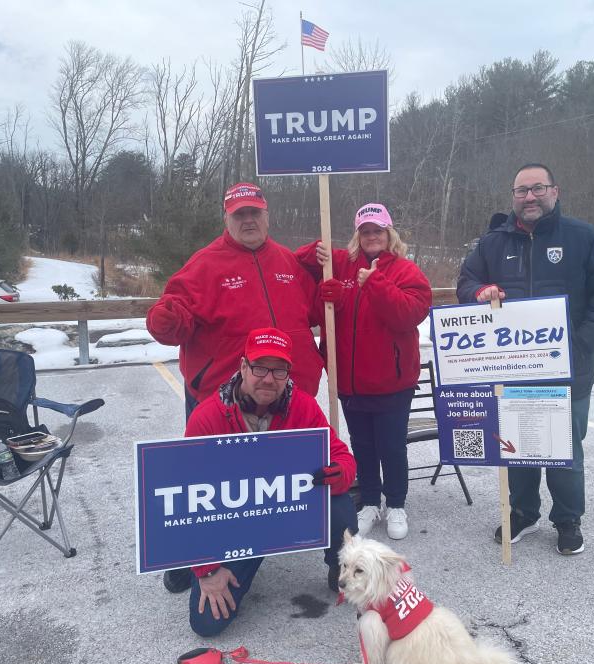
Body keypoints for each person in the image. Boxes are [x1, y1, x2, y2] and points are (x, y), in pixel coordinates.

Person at [146, 182, 325, 593]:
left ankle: (259, 542)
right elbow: (176, 313)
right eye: (239, 214)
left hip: (281, 394)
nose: (248, 220)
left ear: (267, 216)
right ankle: (187, 559)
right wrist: (166, 318)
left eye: (254, 213)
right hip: (221, 398)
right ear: (226, 219)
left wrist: (322, 280)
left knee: (264, 480)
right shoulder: (204, 264)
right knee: (205, 485)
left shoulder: (286, 262)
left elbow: (312, 311)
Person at [457, 163, 594, 556]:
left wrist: (582, 342)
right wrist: (480, 291)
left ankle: (568, 518)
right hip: (514, 370)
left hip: (569, 369)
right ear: (513, 196)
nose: (529, 197)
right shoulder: (492, 243)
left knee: (564, 447)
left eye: (537, 189)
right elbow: (466, 281)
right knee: (518, 444)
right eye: (521, 191)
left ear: (555, 191)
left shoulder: (584, 238)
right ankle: (523, 511)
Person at [183, 327, 359, 638]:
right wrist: (206, 569)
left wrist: (340, 472)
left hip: (284, 511)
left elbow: (342, 455)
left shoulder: (302, 405)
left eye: (279, 370)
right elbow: (186, 496)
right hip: (234, 522)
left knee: (340, 501)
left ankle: (339, 565)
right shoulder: (207, 417)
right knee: (207, 623)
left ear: (289, 372)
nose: (269, 378)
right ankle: (180, 562)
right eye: (260, 367)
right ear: (243, 367)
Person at [297, 203, 432, 540]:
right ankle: (370, 500)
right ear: (358, 235)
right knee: (362, 446)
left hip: (391, 383)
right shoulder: (340, 264)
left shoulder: (406, 271)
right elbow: (302, 268)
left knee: (391, 446)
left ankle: (396, 503)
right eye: (366, 231)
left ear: (389, 234)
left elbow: (407, 315)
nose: (372, 236)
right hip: (349, 382)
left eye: (378, 230)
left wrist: (375, 283)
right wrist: (324, 287)